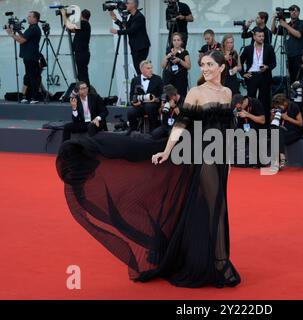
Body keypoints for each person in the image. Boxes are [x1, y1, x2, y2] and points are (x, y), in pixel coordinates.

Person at [56, 50, 241, 288]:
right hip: (201, 154)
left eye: (209, 65)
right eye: (202, 65)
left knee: (212, 206)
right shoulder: (196, 92)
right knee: (217, 206)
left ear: (222, 67)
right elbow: (182, 123)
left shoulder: (227, 93)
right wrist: (167, 150)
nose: (204, 69)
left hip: (219, 157)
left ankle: (205, 257)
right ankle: (219, 261)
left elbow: (225, 130)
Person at [240, 28, 277, 124]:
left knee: (264, 100)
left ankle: (264, 123)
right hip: (252, 76)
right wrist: (243, 74)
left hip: (264, 75)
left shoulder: (269, 48)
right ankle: (249, 122)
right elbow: (240, 61)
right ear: (254, 37)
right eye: (259, 36)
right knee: (250, 99)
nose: (262, 38)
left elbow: (274, 63)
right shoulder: (248, 48)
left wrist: (267, 67)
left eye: (263, 36)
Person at [5, 11, 42, 104]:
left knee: (32, 77)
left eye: (30, 16)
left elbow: (21, 40)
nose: (28, 18)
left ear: (35, 18)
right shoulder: (32, 28)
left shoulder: (33, 29)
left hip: (31, 56)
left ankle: (34, 97)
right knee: (28, 77)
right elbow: (24, 37)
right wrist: (17, 31)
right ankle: (27, 96)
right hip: (29, 56)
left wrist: (11, 34)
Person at [109, 0, 151, 75]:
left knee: (139, 69)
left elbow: (132, 30)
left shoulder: (139, 17)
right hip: (136, 47)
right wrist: (115, 19)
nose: (126, 5)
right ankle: (139, 83)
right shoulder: (132, 16)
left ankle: (141, 84)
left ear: (133, 5)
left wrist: (117, 32)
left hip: (141, 47)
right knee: (137, 68)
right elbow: (126, 26)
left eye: (127, 3)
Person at [271, 5, 303, 84]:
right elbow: (273, 31)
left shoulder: (301, 22)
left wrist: (285, 25)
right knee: (291, 77)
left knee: (298, 77)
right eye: (292, 10)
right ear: (289, 12)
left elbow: (298, 35)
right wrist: (274, 19)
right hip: (289, 54)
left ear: (299, 13)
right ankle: (292, 93)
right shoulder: (287, 24)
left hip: (298, 54)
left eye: (296, 11)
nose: (294, 12)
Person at [128, 60, 164, 134]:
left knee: (149, 107)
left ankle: (154, 129)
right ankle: (133, 130)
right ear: (141, 70)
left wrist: (156, 99)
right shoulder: (135, 80)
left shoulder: (158, 79)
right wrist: (134, 102)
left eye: (151, 68)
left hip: (153, 105)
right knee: (131, 112)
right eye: (148, 68)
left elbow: (163, 95)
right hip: (139, 105)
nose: (151, 70)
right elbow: (131, 95)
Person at [270, 93, 303, 170]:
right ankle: (282, 157)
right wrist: (272, 116)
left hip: (294, 131)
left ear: (285, 103)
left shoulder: (294, 106)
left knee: (277, 135)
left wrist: (287, 118)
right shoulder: (277, 108)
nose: (278, 108)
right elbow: (272, 122)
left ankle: (277, 161)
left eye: (279, 106)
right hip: (282, 131)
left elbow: (300, 123)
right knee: (276, 131)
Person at [231, 94, 266, 167]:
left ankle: (257, 161)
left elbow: (262, 120)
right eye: (237, 107)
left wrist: (247, 114)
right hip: (243, 127)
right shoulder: (237, 107)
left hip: (257, 128)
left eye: (240, 107)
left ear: (244, 101)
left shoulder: (255, 103)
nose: (239, 108)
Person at [61, 8, 91, 87]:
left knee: (82, 75)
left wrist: (64, 14)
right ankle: (85, 92)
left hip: (82, 53)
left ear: (81, 15)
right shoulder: (84, 25)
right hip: (82, 53)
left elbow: (69, 26)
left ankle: (86, 93)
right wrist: (67, 18)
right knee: (82, 74)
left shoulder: (83, 23)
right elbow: (71, 29)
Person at [162, 33, 191, 97]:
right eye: (174, 40)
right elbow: (163, 66)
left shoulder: (185, 52)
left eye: (178, 40)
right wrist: (167, 57)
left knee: (180, 96)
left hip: (180, 78)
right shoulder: (169, 51)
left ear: (181, 41)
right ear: (172, 42)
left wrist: (179, 60)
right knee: (168, 96)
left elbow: (189, 66)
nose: (176, 42)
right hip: (169, 77)